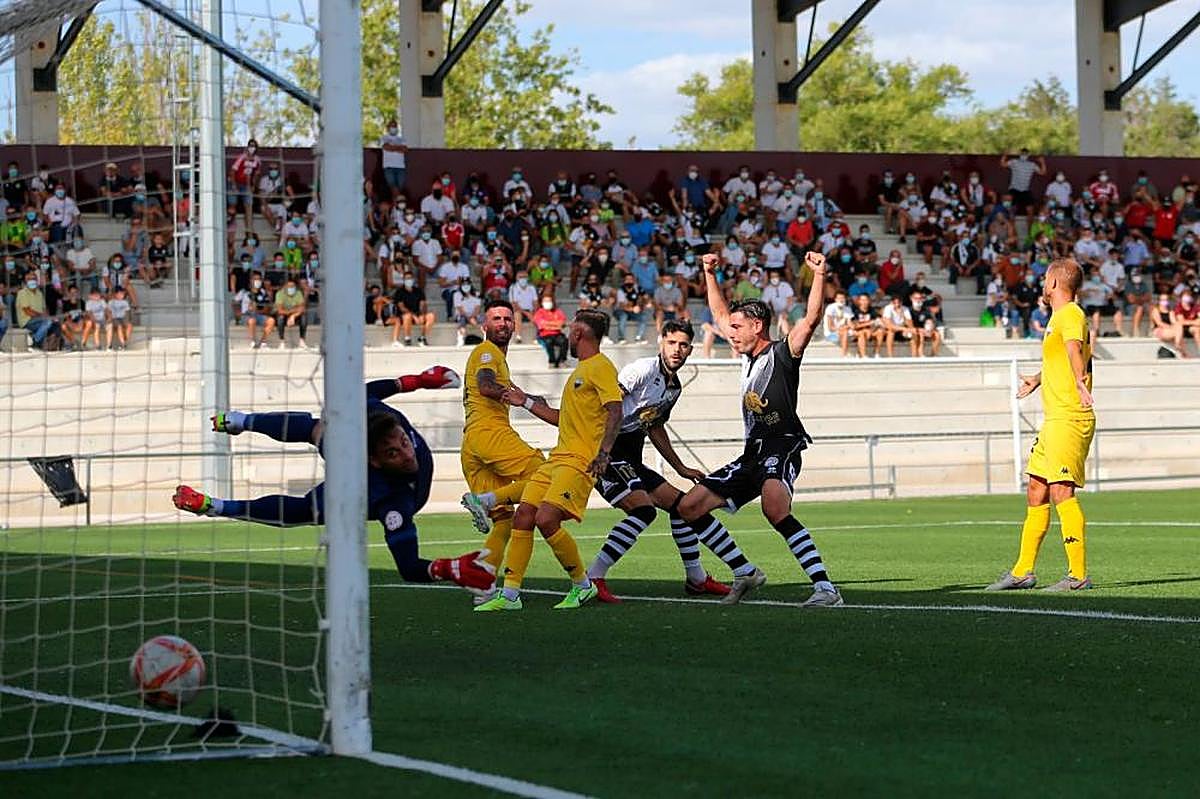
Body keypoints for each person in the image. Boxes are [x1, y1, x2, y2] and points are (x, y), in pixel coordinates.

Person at [174, 371, 494, 591]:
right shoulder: (386, 498)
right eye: (393, 453)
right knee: (311, 475)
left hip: (368, 461)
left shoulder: (382, 418)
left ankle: (237, 434)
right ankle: (218, 495)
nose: (407, 454)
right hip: (359, 486)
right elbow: (408, 567)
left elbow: (372, 391)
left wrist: (417, 381)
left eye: (403, 443)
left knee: (321, 431)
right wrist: (448, 568)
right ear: (375, 460)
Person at [670, 252, 842, 607]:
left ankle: (826, 589)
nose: (729, 333)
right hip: (753, 452)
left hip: (783, 444)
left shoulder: (783, 353)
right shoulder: (746, 357)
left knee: (774, 509)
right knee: (689, 507)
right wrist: (709, 273)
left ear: (757, 326)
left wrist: (819, 275)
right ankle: (745, 571)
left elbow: (811, 319)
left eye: (736, 328)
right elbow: (719, 313)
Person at [579, 321, 769, 601]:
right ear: (661, 342)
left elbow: (654, 426)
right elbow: (608, 407)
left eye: (683, 345)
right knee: (643, 511)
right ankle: (594, 577)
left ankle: (700, 578)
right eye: (671, 343)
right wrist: (601, 451)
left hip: (630, 456)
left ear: (690, 349)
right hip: (605, 452)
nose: (677, 350)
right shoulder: (642, 370)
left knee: (684, 508)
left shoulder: (674, 387)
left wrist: (680, 468)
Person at [474, 310, 622, 611]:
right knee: (523, 516)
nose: (567, 335)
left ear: (578, 334)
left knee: (546, 518)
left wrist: (604, 453)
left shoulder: (601, 367)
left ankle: (583, 585)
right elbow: (561, 419)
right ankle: (510, 596)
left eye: (570, 330)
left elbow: (616, 410)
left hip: (579, 461)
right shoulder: (579, 373)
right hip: (558, 459)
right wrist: (526, 402)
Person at [988, 259, 1095, 592]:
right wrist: (1037, 379)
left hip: (1070, 416)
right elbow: (1061, 357)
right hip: (1054, 419)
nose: (1042, 283)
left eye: (1046, 278)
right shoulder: (1058, 317)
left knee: (1062, 491)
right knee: (1036, 488)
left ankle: (1078, 576)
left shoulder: (1070, 314)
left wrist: (1080, 382)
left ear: (1055, 283)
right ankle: (1023, 571)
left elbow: (1074, 349)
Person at [457, 301, 549, 602]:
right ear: (484, 325)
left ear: (515, 325)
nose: (503, 323)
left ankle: (482, 585)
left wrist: (533, 399)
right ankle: (483, 500)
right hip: (489, 433)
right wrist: (522, 400)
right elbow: (486, 386)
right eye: (496, 318)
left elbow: (500, 388)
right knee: (544, 475)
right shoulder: (487, 352)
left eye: (508, 319)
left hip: (472, 443)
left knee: (504, 521)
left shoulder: (497, 360)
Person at [533, 292, 568, 367]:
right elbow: (541, 325)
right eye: (545, 301)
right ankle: (552, 361)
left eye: (549, 301)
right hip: (544, 335)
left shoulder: (558, 311)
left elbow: (562, 324)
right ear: (542, 303)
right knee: (549, 342)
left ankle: (561, 361)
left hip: (557, 334)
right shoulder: (539, 312)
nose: (547, 303)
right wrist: (555, 325)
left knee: (564, 341)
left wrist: (548, 324)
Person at [274, 277, 308, 348]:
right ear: (284, 286)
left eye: (293, 286)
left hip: (294, 316)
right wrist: (293, 311)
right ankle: (282, 341)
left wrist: (293, 316)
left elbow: (302, 308)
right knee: (280, 317)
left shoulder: (298, 293)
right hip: (284, 315)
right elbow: (280, 310)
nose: (291, 288)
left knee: (304, 317)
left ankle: (302, 341)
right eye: (289, 286)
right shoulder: (279, 294)